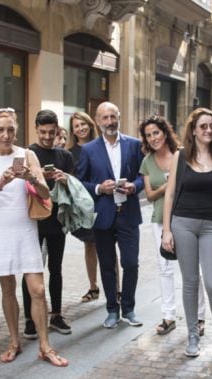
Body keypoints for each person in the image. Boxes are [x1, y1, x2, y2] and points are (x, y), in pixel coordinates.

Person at [0, 108, 68, 366]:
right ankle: (14, 341)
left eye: (11, 129)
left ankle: (45, 346)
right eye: (0, 130)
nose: (6, 135)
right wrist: (0, 184)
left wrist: (32, 178)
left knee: (37, 289)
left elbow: (46, 194)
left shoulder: (27, 154)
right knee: (7, 288)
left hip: (25, 228)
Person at [161, 108, 212, 359]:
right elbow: (169, 194)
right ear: (193, 129)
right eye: (203, 126)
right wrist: (166, 231)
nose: (208, 130)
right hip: (183, 223)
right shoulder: (181, 156)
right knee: (191, 282)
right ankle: (193, 335)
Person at [77, 102, 144, 329]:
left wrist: (135, 186)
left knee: (130, 264)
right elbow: (79, 183)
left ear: (119, 117)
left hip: (128, 214)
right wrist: (99, 189)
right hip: (103, 216)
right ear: (98, 121)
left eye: (113, 117)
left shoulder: (135, 145)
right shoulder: (88, 150)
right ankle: (112, 310)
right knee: (106, 265)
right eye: (105, 118)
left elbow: (144, 176)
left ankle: (129, 308)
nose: (110, 122)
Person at [139, 115, 207, 336]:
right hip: (160, 221)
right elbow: (149, 195)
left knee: (191, 271)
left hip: (186, 219)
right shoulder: (147, 161)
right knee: (165, 270)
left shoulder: (183, 155)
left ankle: (198, 317)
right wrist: (168, 185)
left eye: (156, 133)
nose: (153, 138)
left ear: (165, 132)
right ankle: (169, 316)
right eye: (148, 136)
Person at [23, 109, 74, 339]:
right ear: (36, 129)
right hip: (32, 220)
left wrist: (65, 179)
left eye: (51, 132)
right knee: (32, 270)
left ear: (58, 131)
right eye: (43, 132)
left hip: (57, 220)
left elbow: (74, 188)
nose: (46, 136)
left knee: (56, 268)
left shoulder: (64, 156)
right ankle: (30, 319)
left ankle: (56, 314)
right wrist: (38, 176)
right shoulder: (27, 154)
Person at [68, 112, 101, 303]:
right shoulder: (70, 153)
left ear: (90, 125)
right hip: (82, 206)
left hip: (101, 201)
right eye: (76, 126)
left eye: (83, 124)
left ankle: (117, 289)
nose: (80, 128)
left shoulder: (101, 147)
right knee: (90, 245)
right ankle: (93, 287)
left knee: (107, 246)